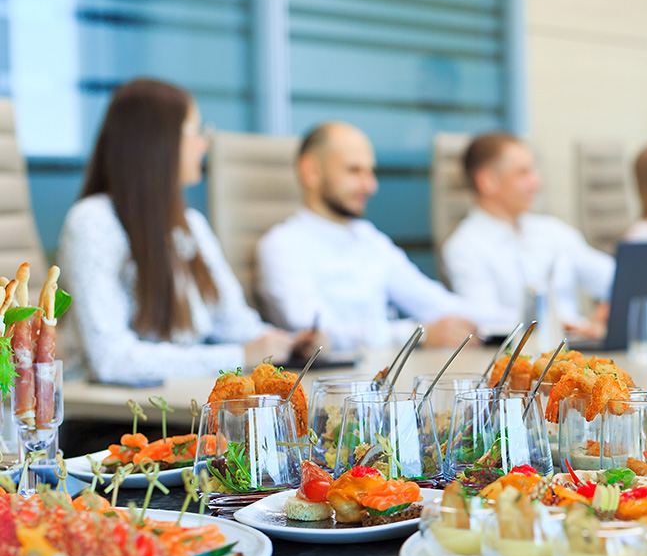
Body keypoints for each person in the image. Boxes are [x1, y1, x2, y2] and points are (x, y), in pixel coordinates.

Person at [59, 78, 302, 384]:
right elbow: (112, 359)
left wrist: (287, 343)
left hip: (182, 399)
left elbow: (232, 320)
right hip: (115, 416)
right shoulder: (93, 222)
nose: (205, 143)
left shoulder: (190, 224)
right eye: (196, 131)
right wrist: (239, 357)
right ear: (157, 142)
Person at [256, 122, 492, 351]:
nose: (370, 186)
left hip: (386, 375)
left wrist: (513, 321)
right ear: (312, 171)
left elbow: (434, 302)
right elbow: (319, 335)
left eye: (370, 172)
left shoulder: (369, 238)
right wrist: (418, 334)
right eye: (354, 170)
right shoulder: (282, 245)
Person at [442, 132, 615, 335]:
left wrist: (612, 305)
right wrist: (568, 325)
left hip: (579, 352)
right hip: (522, 358)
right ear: (487, 181)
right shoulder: (465, 246)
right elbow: (483, 318)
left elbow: (614, 278)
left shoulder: (552, 230)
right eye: (523, 173)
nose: (537, 182)